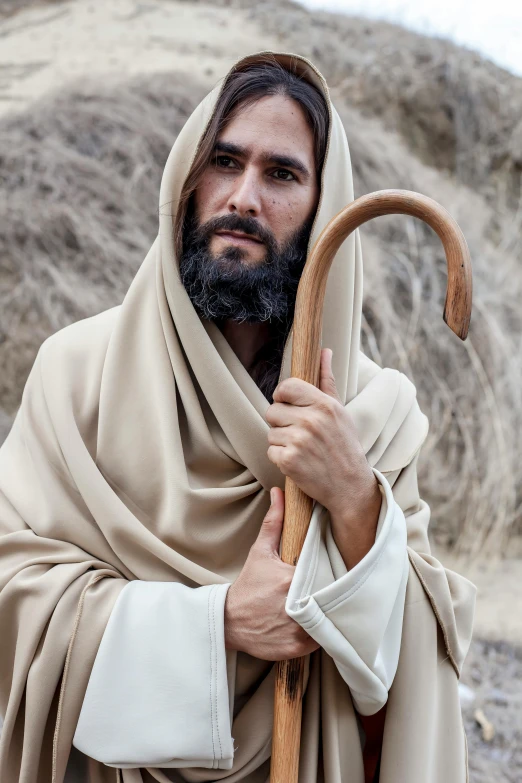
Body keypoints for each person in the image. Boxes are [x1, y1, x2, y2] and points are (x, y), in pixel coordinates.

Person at [0, 52, 476, 783]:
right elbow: (15, 595)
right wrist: (216, 622)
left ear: (323, 206)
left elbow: (415, 664)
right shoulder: (76, 377)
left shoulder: (375, 418)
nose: (244, 197)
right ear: (188, 185)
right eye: (225, 161)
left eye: (282, 173)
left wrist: (353, 499)